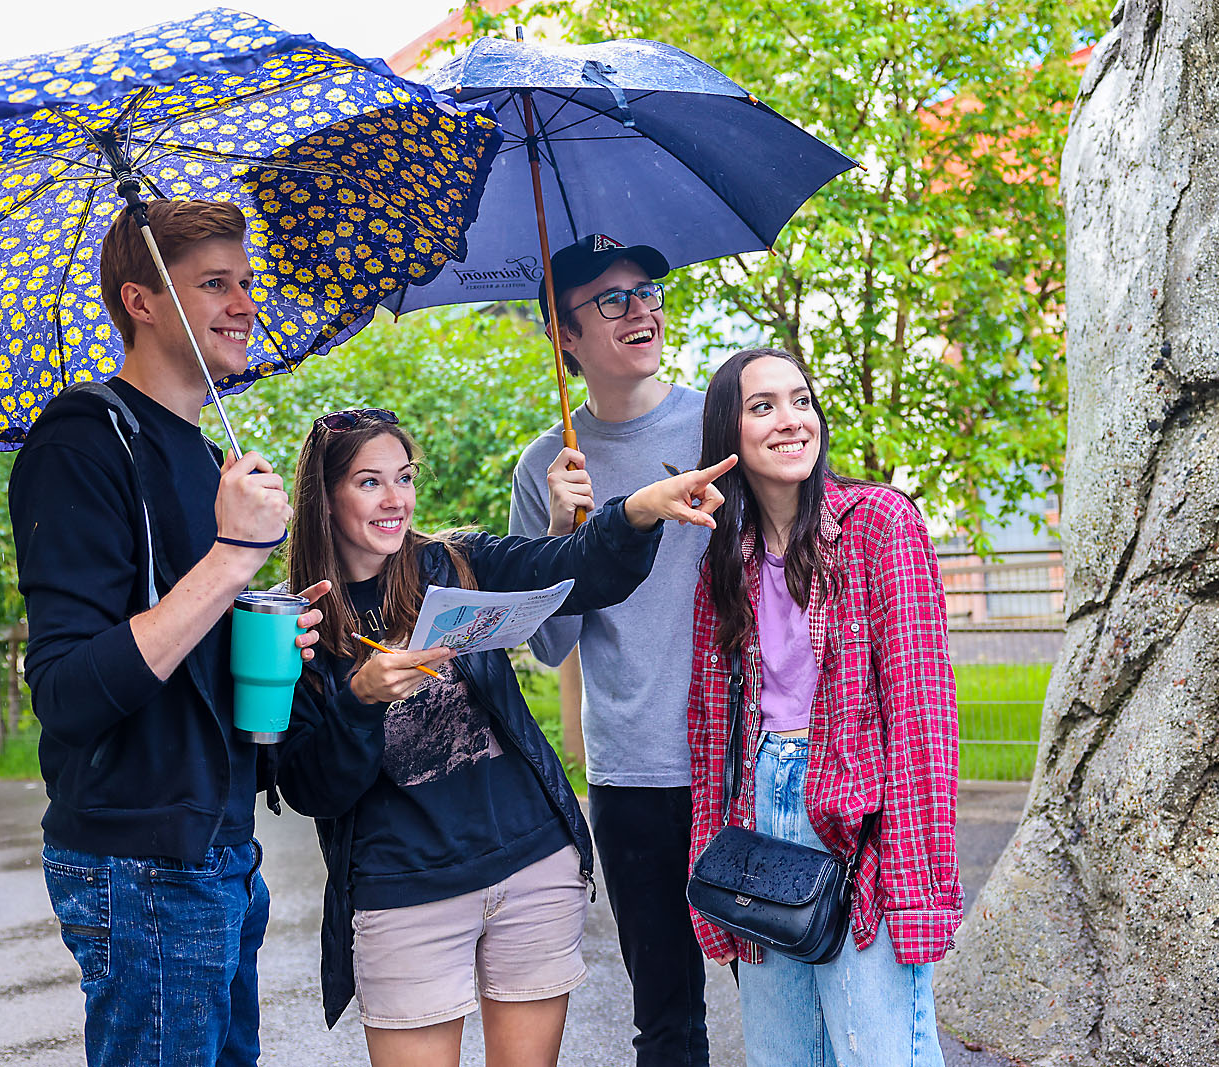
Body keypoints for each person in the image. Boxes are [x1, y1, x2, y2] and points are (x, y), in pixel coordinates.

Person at [274, 407, 734, 1067]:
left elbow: (572, 566)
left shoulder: (457, 563)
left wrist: (638, 510)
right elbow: (312, 786)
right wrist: (360, 699)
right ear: (326, 496)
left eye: (403, 477)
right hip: (405, 892)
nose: (395, 498)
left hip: (532, 870)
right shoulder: (299, 624)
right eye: (370, 482)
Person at [9, 198, 327, 1067]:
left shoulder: (202, 455)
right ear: (141, 301)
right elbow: (68, 691)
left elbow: (181, 646)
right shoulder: (81, 441)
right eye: (214, 283)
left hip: (220, 846)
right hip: (141, 860)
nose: (245, 303)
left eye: (248, 282)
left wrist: (264, 631)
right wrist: (231, 559)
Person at [684, 347, 963, 1067]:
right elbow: (712, 725)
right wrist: (707, 845)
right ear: (729, 435)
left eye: (801, 400)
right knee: (782, 1053)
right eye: (763, 406)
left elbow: (921, 713)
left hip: (854, 807)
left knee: (880, 1049)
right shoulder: (727, 555)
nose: (790, 420)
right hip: (761, 813)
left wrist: (917, 879)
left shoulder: (880, 523)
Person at [508, 233, 713, 1065]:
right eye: (613, 299)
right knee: (666, 1018)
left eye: (648, 292)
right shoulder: (546, 465)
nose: (641, 310)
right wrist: (563, 533)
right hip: (631, 777)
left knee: (784, 988)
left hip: (741, 757)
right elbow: (545, 640)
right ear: (564, 335)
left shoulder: (719, 420)